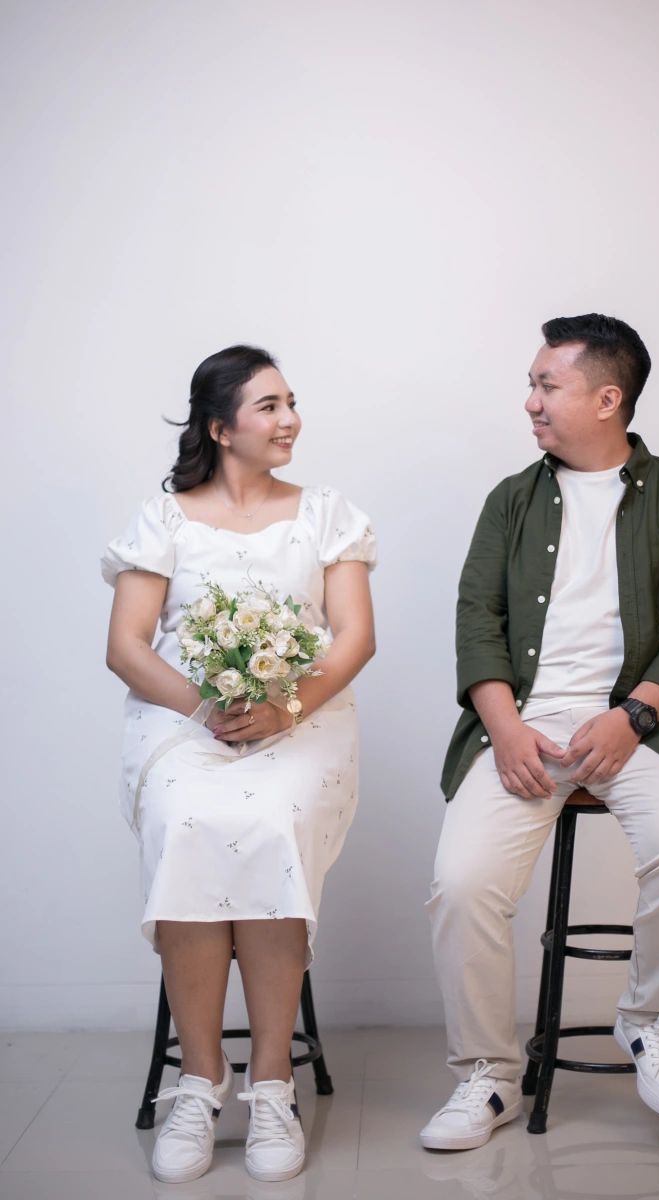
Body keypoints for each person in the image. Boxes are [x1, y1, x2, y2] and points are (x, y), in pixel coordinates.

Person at [421, 314, 659, 1151]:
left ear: (607, 399)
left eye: (545, 385)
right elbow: (477, 619)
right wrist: (504, 728)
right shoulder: (511, 501)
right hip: (520, 725)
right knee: (461, 883)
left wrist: (633, 718)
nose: (529, 401)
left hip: (644, 727)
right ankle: (488, 1075)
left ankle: (651, 1021)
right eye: (531, 384)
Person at [102, 346, 376, 1184]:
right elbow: (126, 646)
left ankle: (272, 1085)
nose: (290, 419)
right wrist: (205, 708)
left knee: (270, 821)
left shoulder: (327, 514)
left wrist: (284, 707)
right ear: (221, 429)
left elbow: (354, 638)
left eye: (291, 402)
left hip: (303, 719)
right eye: (269, 406)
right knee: (190, 822)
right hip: (186, 720)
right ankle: (199, 1083)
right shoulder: (166, 519)